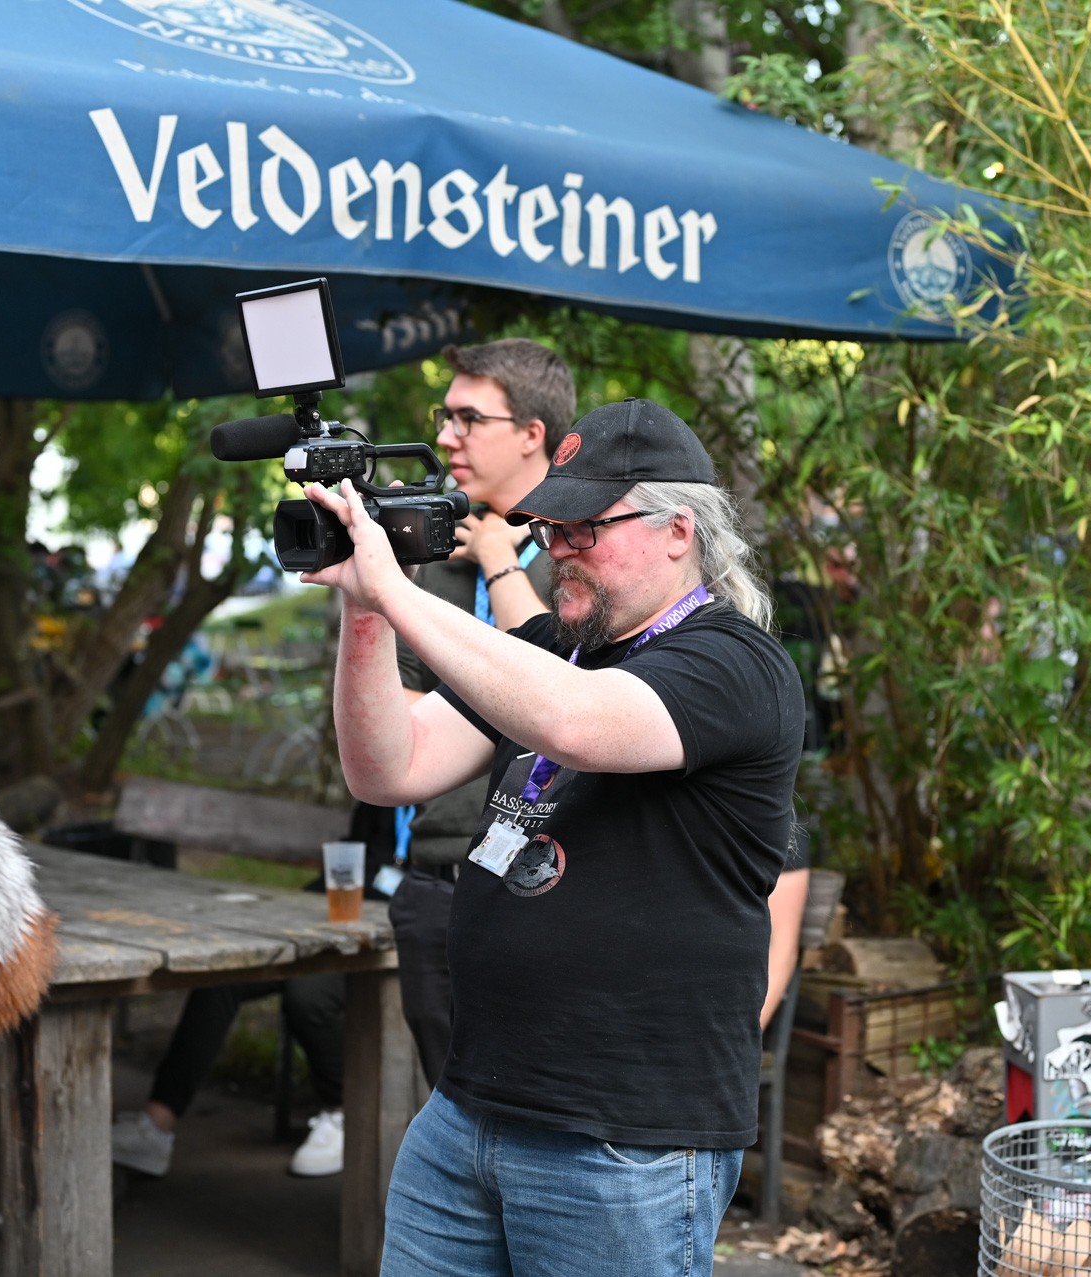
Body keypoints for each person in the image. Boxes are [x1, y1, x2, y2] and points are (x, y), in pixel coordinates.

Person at [304, 397, 803, 1275]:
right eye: (549, 529)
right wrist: (365, 608)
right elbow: (388, 768)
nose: (559, 548)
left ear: (678, 530)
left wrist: (396, 588)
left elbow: (577, 723)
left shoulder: (735, 662)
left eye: (584, 529)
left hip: (624, 1141)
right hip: (467, 1109)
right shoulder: (548, 648)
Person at [388, 338, 573, 1088]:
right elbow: (399, 725)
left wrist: (500, 561)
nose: (445, 437)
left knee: (534, 1112)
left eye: (468, 418)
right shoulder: (431, 553)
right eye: (444, 416)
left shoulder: (581, 555)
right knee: (448, 1106)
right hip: (434, 879)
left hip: (542, 886)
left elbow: (560, 695)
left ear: (532, 432)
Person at [110, 974, 348, 1178]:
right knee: (219, 980)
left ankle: (344, 1112)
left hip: (358, 946)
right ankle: (156, 1127)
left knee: (309, 998)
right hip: (304, 939)